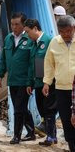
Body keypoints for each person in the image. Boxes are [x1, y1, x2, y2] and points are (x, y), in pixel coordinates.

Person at [0, 12, 35, 144]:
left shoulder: (29, 39)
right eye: (12, 24)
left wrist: (32, 80)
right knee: (21, 107)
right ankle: (31, 132)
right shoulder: (8, 39)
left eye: (17, 24)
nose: (14, 27)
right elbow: (4, 60)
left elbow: (33, 62)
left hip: (25, 80)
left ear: (24, 25)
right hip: (12, 80)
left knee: (18, 108)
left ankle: (16, 136)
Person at [43, 15, 75, 152]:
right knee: (66, 121)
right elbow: (49, 64)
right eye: (62, 32)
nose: (65, 34)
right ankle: (71, 146)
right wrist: (46, 82)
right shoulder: (55, 42)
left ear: (74, 28)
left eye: (68, 31)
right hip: (61, 89)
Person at [24, 18, 57, 146]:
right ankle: (52, 136)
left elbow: (53, 63)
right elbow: (31, 65)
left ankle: (50, 136)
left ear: (35, 29)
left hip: (48, 83)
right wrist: (29, 83)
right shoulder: (33, 44)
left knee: (49, 109)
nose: (27, 35)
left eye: (28, 32)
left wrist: (48, 82)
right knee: (42, 110)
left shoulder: (49, 41)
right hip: (37, 82)